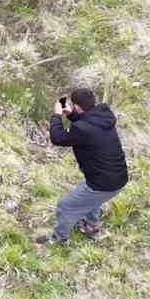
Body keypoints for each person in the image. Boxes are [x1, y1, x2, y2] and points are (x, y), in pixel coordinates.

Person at [37, 89, 128, 245]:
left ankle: (59, 238)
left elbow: (57, 138)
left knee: (66, 206)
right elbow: (87, 122)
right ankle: (91, 227)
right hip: (117, 177)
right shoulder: (103, 116)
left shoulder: (83, 128)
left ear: (77, 106)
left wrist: (57, 115)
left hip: (103, 183)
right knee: (91, 199)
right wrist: (71, 114)